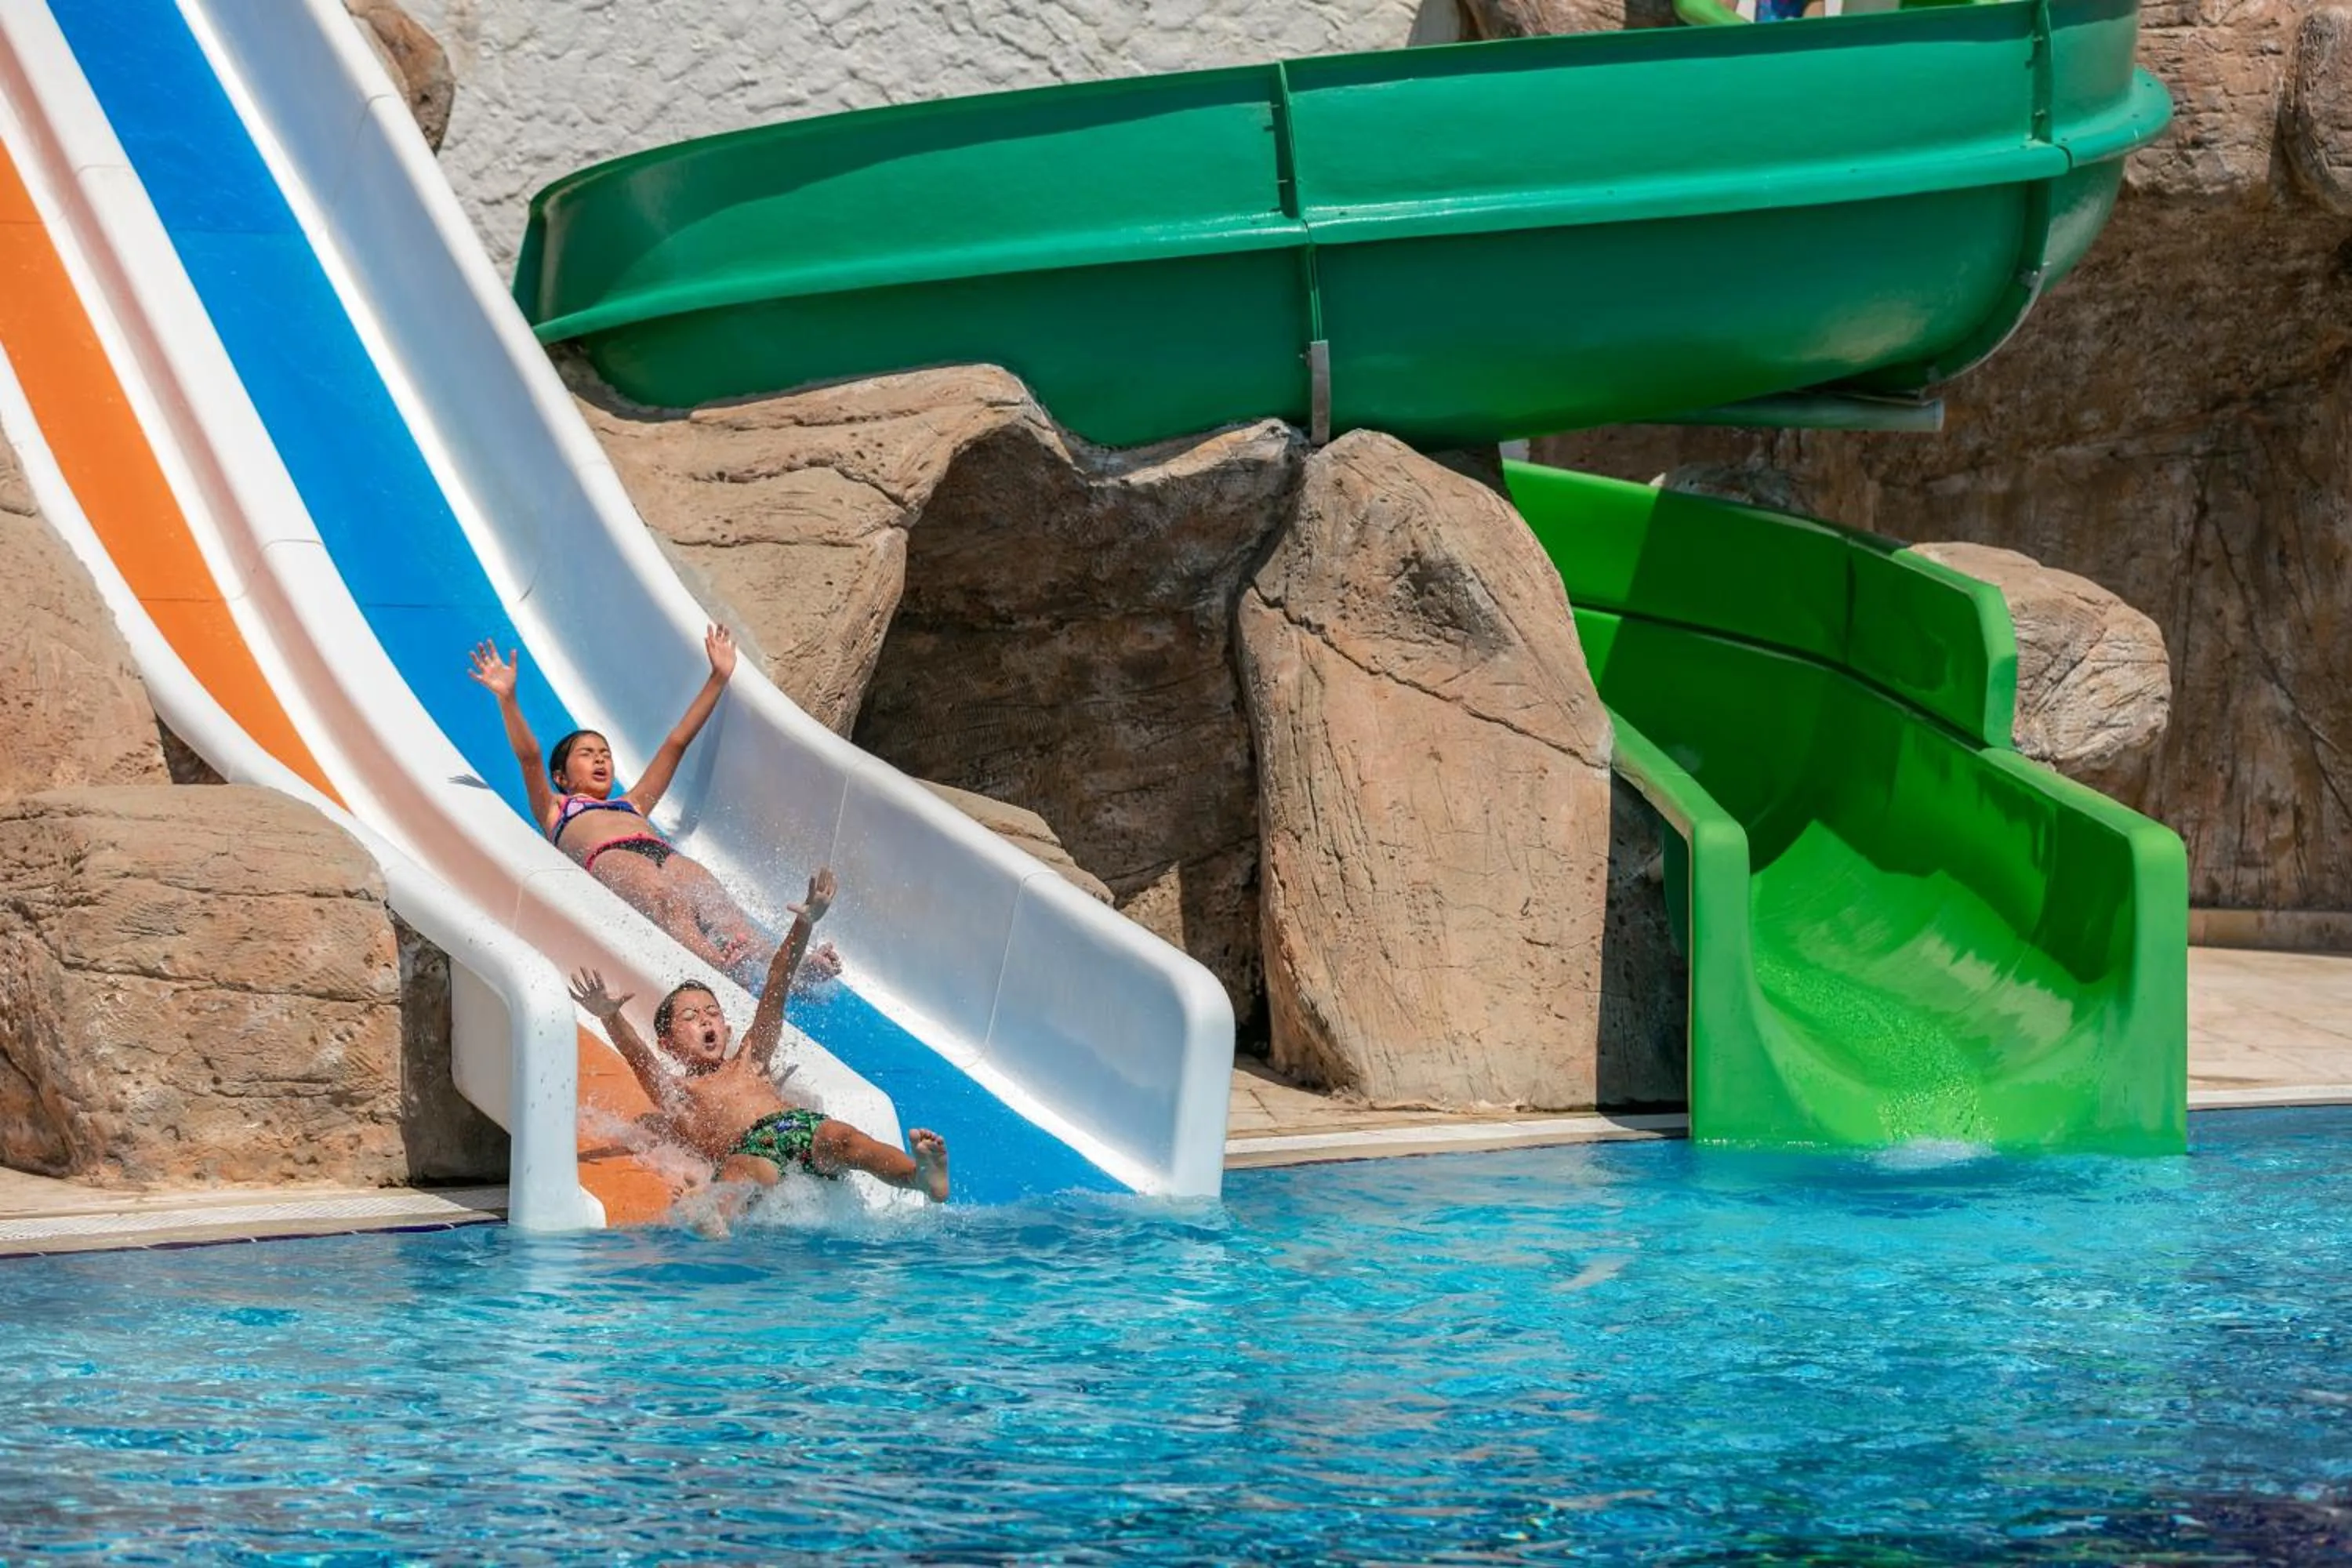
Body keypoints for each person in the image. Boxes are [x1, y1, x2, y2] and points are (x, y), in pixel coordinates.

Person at [466, 626, 834, 992]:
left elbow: (677, 742)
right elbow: (530, 757)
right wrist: (508, 700)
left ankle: (794, 971)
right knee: (669, 900)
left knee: (723, 912)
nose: (600, 759)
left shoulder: (633, 802)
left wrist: (718, 678)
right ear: (561, 777)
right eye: (587, 754)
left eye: (605, 754)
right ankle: (719, 966)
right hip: (611, 857)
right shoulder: (555, 809)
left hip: (665, 854)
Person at [570, 866, 950, 1207]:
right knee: (744, 1171)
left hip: (799, 1127)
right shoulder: (677, 1093)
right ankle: (714, 1218)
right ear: (668, 1044)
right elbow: (638, 1058)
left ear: (728, 1028)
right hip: (750, 1147)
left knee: (848, 1139)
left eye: (713, 1013)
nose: (707, 1021)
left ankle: (918, 1176)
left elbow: (776, 987)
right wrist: (610, 1017)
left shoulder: (750, 1059)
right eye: (691, 1017)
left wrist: (804, 925)